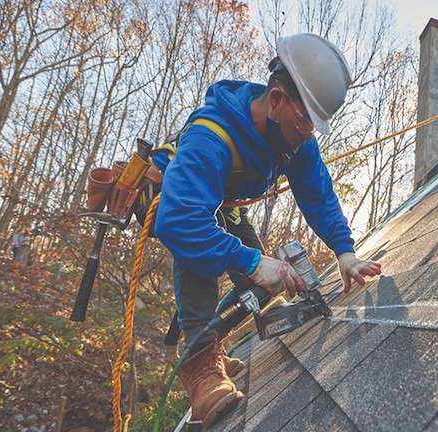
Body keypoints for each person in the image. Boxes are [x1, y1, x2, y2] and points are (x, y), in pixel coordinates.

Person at [152, 33, 382, 428]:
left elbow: (318, 195)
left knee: (258, 284)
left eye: (315, 123)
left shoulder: (296, 141)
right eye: (305, 119)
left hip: (221, 202)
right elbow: (181, 220)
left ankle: (215, 345)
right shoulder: (210, 136)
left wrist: (345, 251)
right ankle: (200, 365)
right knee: (203, 256)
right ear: (275, 99)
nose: (309, 132)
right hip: (177, 201)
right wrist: (255, 261)